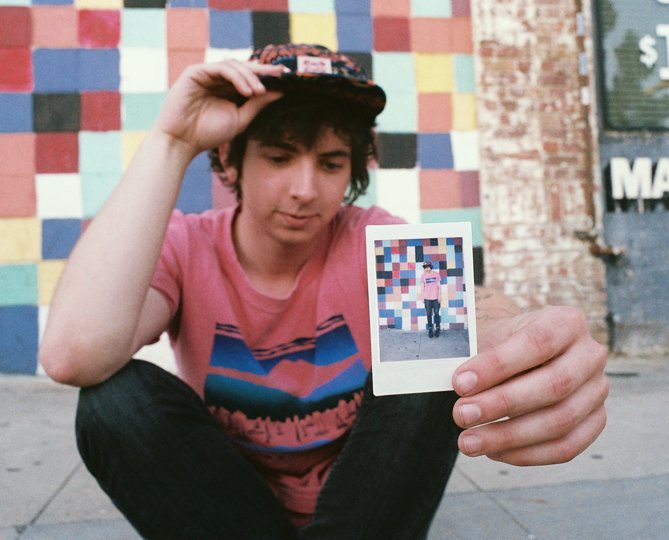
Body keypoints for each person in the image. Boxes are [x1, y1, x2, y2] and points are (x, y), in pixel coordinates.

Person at [38, 43, 609, 539]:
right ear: (231, 161)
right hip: (232, 514)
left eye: (331, 163)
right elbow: (73, 354)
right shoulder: (188, 246)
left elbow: (469, 311)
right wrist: (172, 142)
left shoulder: (371, 237)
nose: (305, 189)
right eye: (279, 157)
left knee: (433, 352)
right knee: (114, 400)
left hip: (360, 513)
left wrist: (516, 338)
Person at [420, 261, 442, 338]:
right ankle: (430, 329)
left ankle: (438, 328)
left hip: (435, 298)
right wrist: (422, 297)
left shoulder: (436, 274)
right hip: (427, 298)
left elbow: (439, 286)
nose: (426, 269)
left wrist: (439, 296)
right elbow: (422, 287)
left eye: (427, 267)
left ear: (430, 267)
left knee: (436, 313)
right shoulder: (423, 276)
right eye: (425, 268)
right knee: (429, 314)